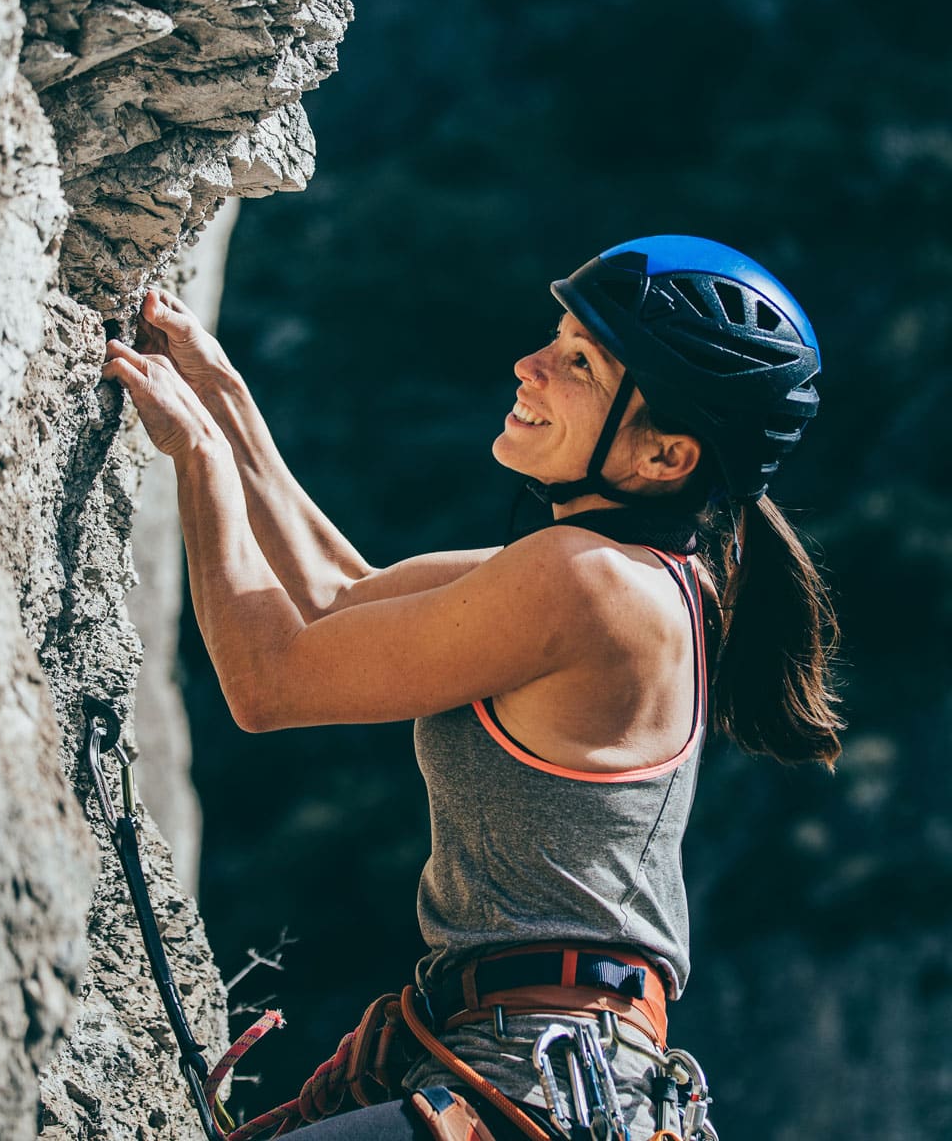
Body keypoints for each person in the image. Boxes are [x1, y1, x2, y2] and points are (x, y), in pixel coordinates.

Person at [103, 234, 842, 1141]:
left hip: (533, 1070)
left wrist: (199, 462)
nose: (528, 365)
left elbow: (268, 681)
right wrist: (225, 400)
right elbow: (341, 594)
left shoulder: (588, 583)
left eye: (579, 362)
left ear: (664, 457)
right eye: (556, 334)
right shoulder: (635, 576)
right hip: (557, 1067)